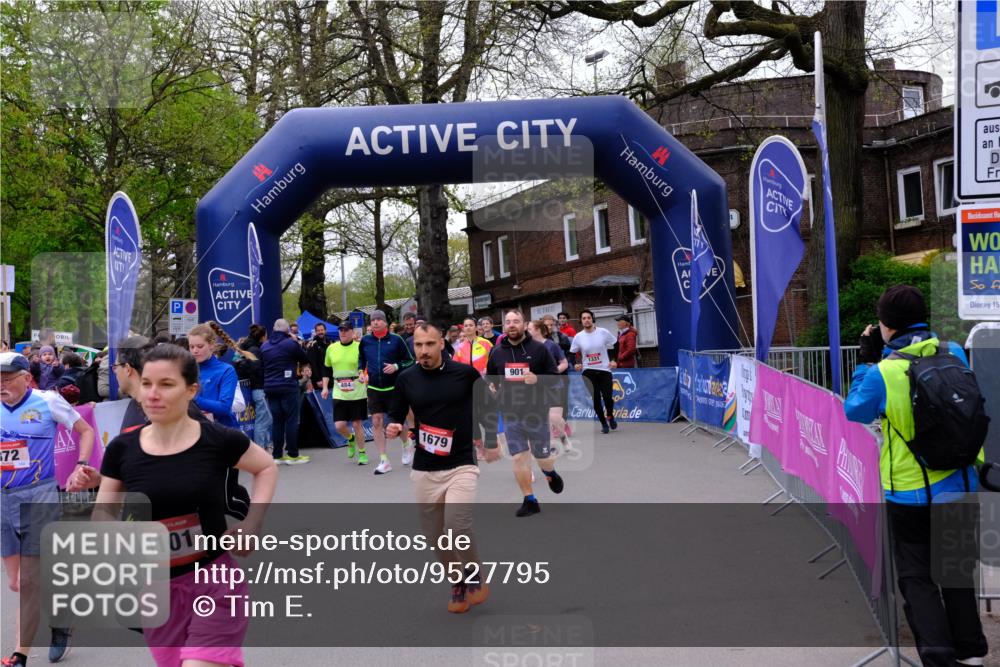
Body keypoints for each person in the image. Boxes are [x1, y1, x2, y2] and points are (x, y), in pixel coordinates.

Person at [79, 344, 277, 667]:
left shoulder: (217, 439)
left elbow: (266, 466)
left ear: (191, 390)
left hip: (215, 583)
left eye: (166, 384)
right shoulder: (122, 449)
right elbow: (103, 512)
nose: (153, 394)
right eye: (146, 384)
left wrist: (253, 523)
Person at [844, 285, 987, 667]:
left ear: (887, 326)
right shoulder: (954, 352)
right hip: (960, 483)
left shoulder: (884, 373)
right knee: (956, 575)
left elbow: (855, 410)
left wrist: (866, 361)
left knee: (918, 579)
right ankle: (971, 653)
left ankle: (939, 659)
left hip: (910, 494)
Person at [387, 323, 498, 612]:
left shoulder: (464, 374)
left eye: (429, 344)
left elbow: (485, 405)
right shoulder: (406, 378)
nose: (423, 351)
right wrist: (394, 424)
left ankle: (473, 572)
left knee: (457, 525)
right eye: (419, 345)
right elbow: (396, 411)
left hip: (461, 462)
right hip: (425, 466)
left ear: (441, 344)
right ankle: (457, 580)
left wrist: (490, 440)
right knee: (434, 535)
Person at [1, 352, 95, 667]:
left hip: (37, 496)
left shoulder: (48, 402)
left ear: (27, 378)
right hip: (2, 500)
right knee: (17, 581)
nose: (1, 384)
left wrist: (80, 465)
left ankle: (21, 654)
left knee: (29, 580)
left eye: (8, 377)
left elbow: (86, 431)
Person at [486, 310, 563, 517]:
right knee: (519, 457)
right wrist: (492, 387)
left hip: (536, 412)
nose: (512, 325)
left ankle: (549, 472)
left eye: (516, 321)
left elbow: (555, 379)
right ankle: (530, 500)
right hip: (511, 413)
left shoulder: (539, 349)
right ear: (504, 326)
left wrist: (537, 379)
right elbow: (491, 378)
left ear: (524, 324)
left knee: (542, 456)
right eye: (508, 322)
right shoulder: (496, 353)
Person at [358, 310, 414, 474]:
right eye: (372, 320)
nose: (375, 322)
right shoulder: (365, 340)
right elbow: (361, 359)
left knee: (396, 423)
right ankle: (384, 460)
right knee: (376, 422)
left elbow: (409, 360)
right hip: (374, 387)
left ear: (385, 323)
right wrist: (361, 372)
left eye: (378, 320)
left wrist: (396, 366)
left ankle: (406, 444)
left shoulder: (396, 340)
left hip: (394, 387)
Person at [261, 318, 310, 465]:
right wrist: (296, 341)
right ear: (287, 331)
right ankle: (293, 455)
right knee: (291, 420)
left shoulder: (265, 346)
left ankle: (277, 455)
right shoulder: (290, 344)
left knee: (277, 421)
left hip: (270, 386)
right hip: (288, 386)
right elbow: (304, 357)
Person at [322, 325, 368, 464]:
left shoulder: (359, 346)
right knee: (339, 425)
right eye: (341, 330)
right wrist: (324, 387)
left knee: (357, 423)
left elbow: (366, 365)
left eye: (346, 330)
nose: (343, 333)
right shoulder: (332, 348)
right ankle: (350, 439)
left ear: (352, 332)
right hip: (339, 390)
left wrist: (365, 375)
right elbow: (326, 369)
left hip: (357, 390)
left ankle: (362, 453)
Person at [570, 309, 618, 434]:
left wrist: (614, 360)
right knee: (596, 397)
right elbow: (572, 352)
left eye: (588, 318)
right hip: (588, 371)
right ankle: (603, 424)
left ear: (592, 319)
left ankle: (610, 416)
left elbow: (615, 344)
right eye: (584, 318)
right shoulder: (578, 336)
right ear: (581, 321)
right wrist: (576, 363)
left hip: (604, 369)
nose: (586, 320)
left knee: (608, 397)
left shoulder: (603, 332)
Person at [527, 319, 570, 451]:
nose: (527, 332)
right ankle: (551, 445)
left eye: (529, 329)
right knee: (546, 418)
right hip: (537, 387)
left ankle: (563, 436)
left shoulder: (551, 345)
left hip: (554, 385)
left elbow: (564, 363)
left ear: (538, 330)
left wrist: (552, 372)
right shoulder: (527, 347)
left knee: (555, 417)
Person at [187, 323, 239, 429]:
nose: (195, 351)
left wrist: (192, 398)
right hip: (194, 432)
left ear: (211, 345)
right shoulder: (185, 369)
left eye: (200, 346)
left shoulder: (226, 370)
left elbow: (224, 407)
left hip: (223, 433)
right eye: (191, 347)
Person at [237, 324, 273, 451]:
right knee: (263, 420)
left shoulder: (246, 348)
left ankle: (265, 446)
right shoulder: (255, 350)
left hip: (256, 388)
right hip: (259, 388)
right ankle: (261, 449)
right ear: (262, 337)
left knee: (264, 419)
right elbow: (253, 367)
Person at [305, 322, 333, 391]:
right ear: (315, 332)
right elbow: (312, 364)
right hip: (320, 379)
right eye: (318, 330)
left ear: (325, 330)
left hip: (330, 377)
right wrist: (317, 379)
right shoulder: (313, 345)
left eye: (322, 330)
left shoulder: (329, 343)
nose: (320, 332)